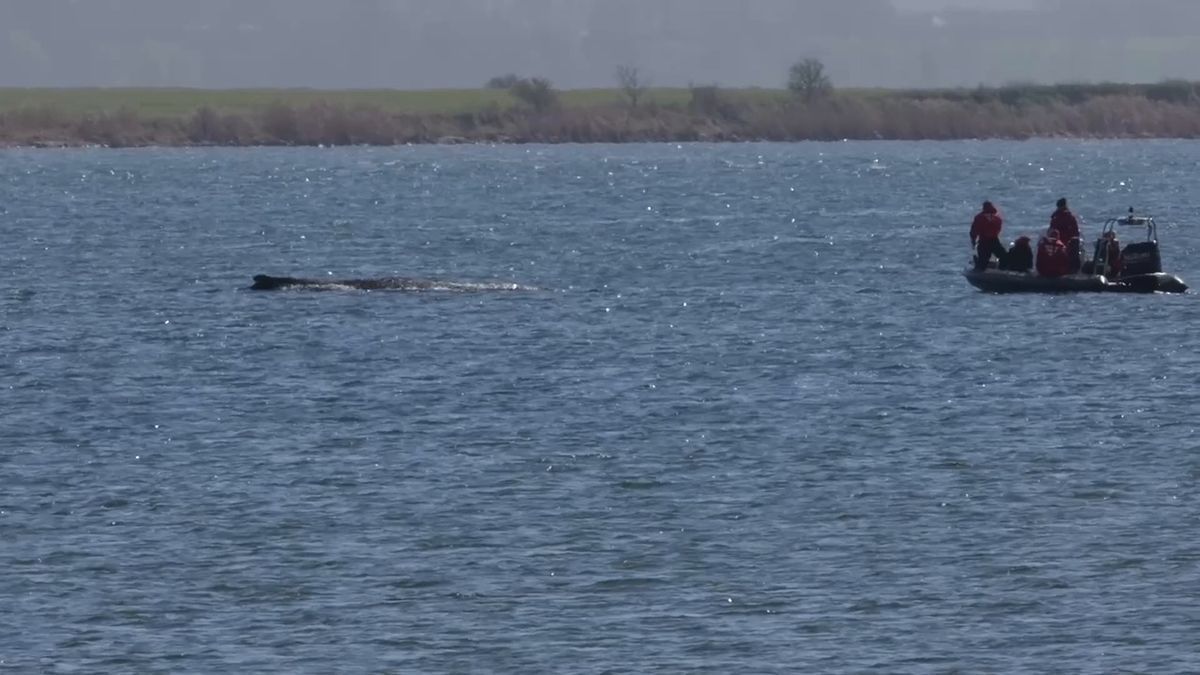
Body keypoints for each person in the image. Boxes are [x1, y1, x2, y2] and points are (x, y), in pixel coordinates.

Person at [970, 200, 1005, 271]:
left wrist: (973, 240)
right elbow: (998, 229)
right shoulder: (997, 218)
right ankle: (1003, 267)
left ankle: (980, 267)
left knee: (983, 259)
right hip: (994, 240)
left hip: (984, 240)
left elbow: (974, 230)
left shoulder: (979, 217)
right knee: (1003, 256)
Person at [1051, 198, 1083, 273]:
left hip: (1059, 242)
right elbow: (1075, 231)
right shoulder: (1069, 217)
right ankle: (1074, 268)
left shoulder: (1055, 217)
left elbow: (1051, 231)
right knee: (1075, 243)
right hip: (1066, 242)